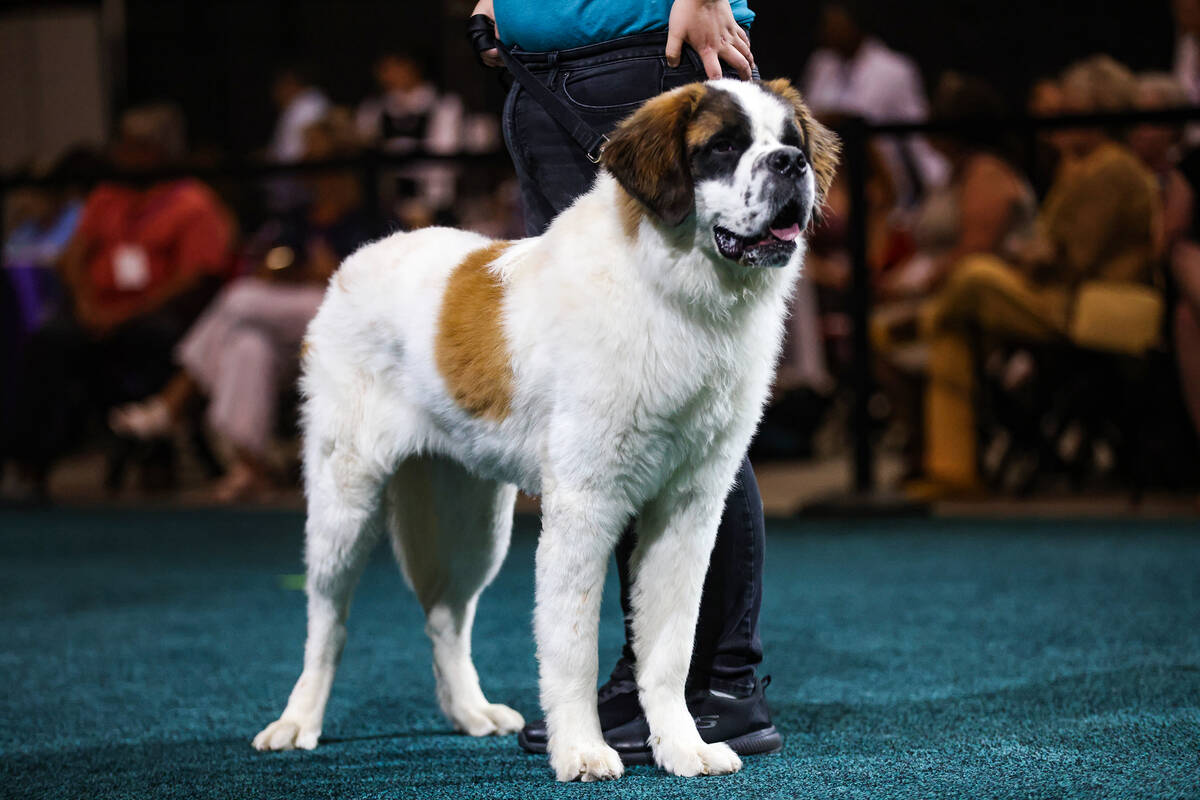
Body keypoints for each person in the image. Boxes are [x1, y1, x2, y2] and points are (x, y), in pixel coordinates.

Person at [470, 0, 781, 762]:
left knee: (691, 419)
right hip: (547, 76)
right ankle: (657, 684)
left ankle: (715, 684)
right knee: (612, 418)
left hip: (645, 63)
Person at [916, 56, 1162, 493]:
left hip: (1087, 304)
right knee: (954, 331)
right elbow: (1053, 247)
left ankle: (913, 324)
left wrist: (1030, 256)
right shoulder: (1079, 165)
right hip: (1060, 295)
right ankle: (952, 472)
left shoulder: (1113, 168)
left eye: (1070, 111)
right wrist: (1034, 253)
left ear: (1099, 111)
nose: (1058, 121)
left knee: (973, 275)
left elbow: (1072, 258)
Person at [111, 111, 372, 502]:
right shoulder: (297, 216)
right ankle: (250, 466)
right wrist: (283, 270)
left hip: (347, 318)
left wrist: (327, 270)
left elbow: (374, 282)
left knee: (239, 299)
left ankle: (174, 401)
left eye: (317, 155)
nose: (308, 166)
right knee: (249, 345)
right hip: (289, 325)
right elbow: (271, 261)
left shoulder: (368, 217)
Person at [5, 105, 233, 497]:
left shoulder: (193, 202)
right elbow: (73, 258)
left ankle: (155, 452)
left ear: (157, 152)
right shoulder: (106, 196)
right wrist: (87, 305)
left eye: (132, 148)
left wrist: (124, 312)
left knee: (155, 337)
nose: (121, 156)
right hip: (94, 309)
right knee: (47, 340)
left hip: (155, 312)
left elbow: (193, 277)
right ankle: (32, 460)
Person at [871, 73, 1036, 480]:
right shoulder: (956, 173)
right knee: (877, 330)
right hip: (947, 296)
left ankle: (935, 455)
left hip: (990, 304)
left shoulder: (987, 172)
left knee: (889, 331)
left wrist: (916, 285)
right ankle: (922, 448)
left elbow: (977, 250)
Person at [801, 0, 948, 206]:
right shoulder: (821, 65)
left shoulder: (894, 70)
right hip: (830, 185)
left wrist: (942, 188)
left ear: (855, 25)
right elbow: (806, 120)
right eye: (826, 24)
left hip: (881, 184)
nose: (827, 31)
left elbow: (917, 139)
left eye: (835, 24)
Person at [356, 52, 464, 225]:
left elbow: (444, 155)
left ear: (413, 68)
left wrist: (429, 205)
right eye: (384, 70)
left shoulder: (444, 105)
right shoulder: (374, 109)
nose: (388, 76)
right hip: (388, 205)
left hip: (434, 203)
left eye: (395, 68)